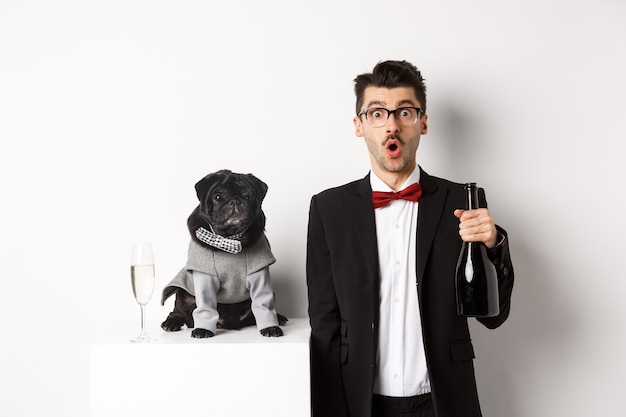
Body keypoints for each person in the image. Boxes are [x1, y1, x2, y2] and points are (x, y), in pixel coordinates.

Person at [305, 60, 514, 417]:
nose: (391, 125)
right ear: (359, 126)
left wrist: (494, 244)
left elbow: (492, 315)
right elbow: (323, 326)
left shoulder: (462, 202)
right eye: (377, 113)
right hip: (361, 403)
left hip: (443, 402)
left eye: (404, 112)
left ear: (423, 122)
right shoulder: (328, 209)